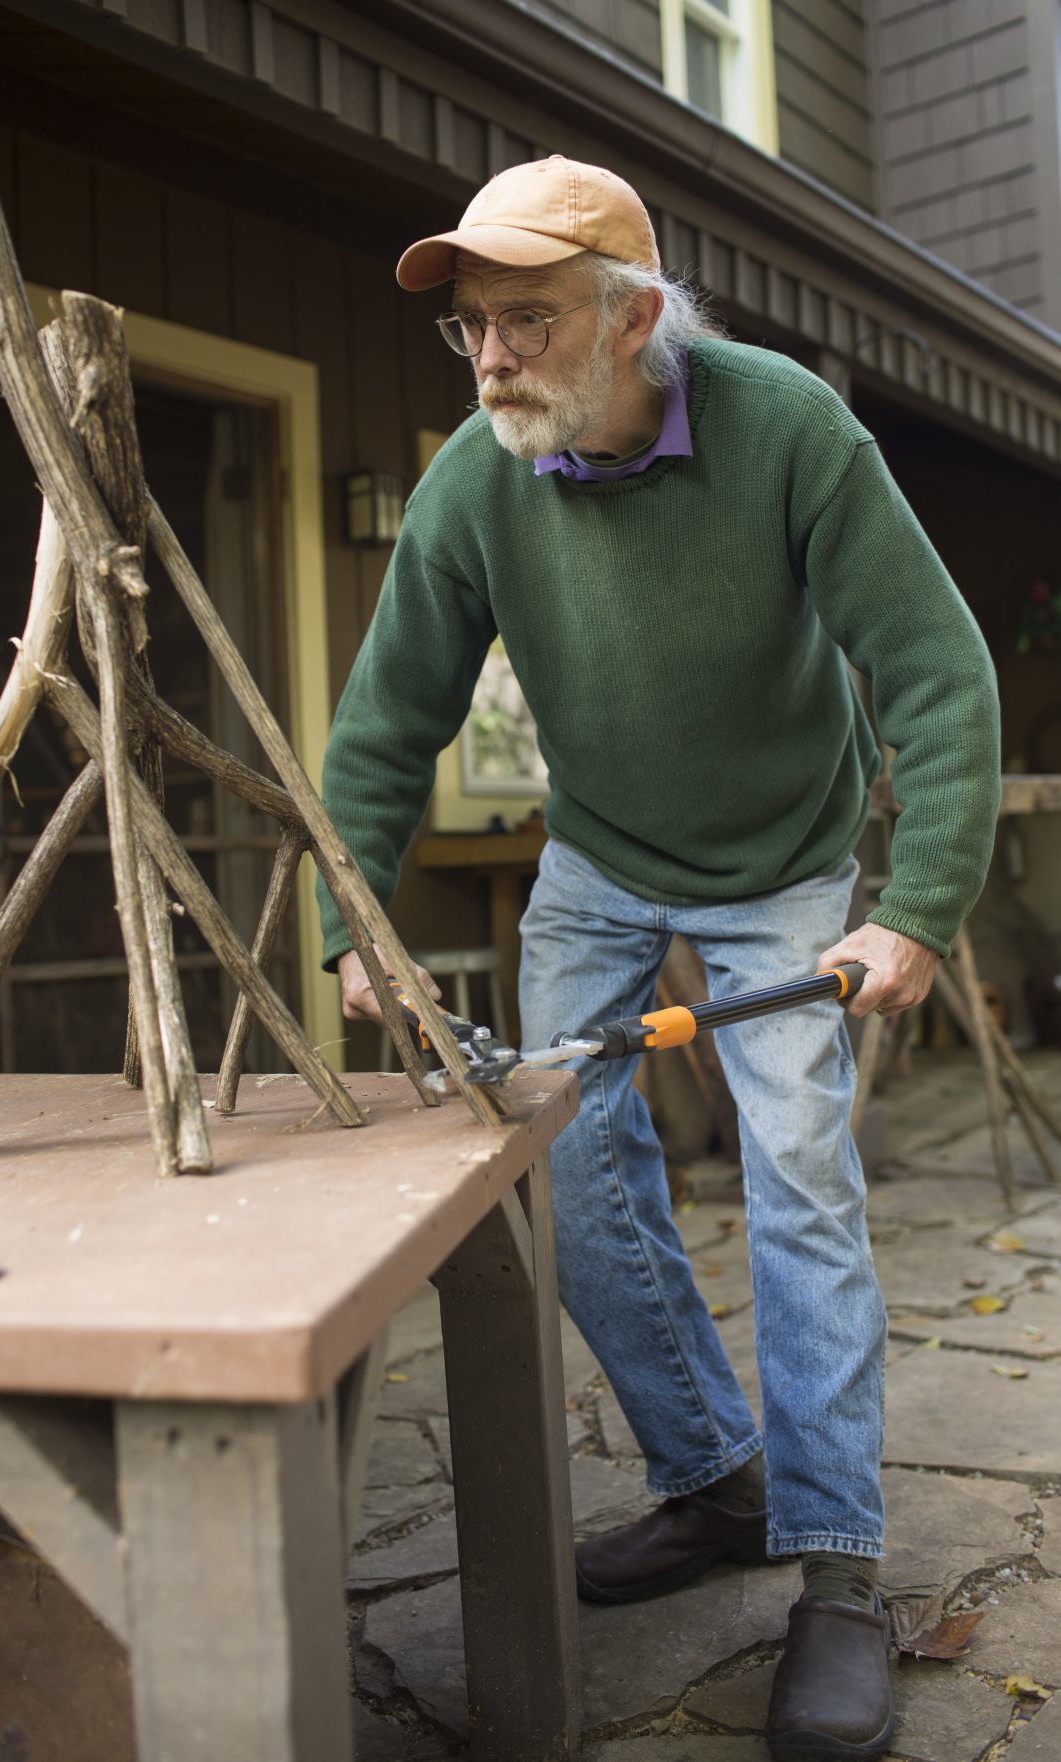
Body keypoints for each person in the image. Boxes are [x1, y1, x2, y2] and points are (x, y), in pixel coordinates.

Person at [316, 156, 1000, 1762]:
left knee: (799, 1183)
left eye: (525, 321)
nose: (489, 357)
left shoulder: (787, 428)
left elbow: (938, 668)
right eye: (470, 327)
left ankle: (835, 1570)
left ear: (635, 320)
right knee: (564, 1160)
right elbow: (384, 722)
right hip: (605, 854)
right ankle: (714, 1479)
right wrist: (359, 924)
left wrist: (915, 907)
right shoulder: (477, 480)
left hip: (783, 854)